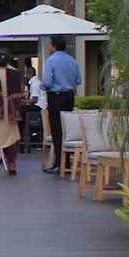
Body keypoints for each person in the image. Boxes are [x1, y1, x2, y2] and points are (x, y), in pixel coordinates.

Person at [41, 36, 81, 171]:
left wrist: (42, 86)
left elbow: (47, 82)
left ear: (53, 46)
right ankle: (67, 162)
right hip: (69, 96)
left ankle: (59, 163)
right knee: (67, 129)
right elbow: (78, 80)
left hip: (56, 96)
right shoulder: (72, 61)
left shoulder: (51, 60)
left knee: (57, 130)